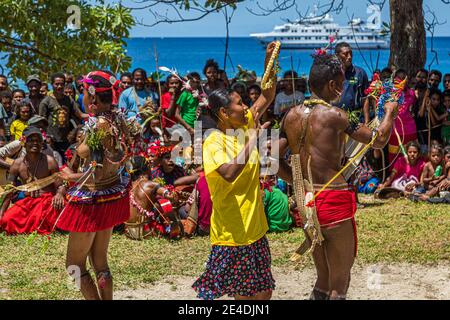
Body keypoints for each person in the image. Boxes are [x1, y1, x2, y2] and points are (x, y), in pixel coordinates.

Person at [281, 52, 396, 300]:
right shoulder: (336, 116)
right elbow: (379, 140)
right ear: (333, 86)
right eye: (342, 85)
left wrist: (297, 182)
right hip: (333, 202)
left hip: (306, 200)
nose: (343, 90)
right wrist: (389, 113)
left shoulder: (290, 116)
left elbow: (269, 160)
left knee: (323, 280)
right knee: (339, 284)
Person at [193, 42, 278, 300]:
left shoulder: (244, 123)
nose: (245, 107)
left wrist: (269, 61)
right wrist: (253, 139)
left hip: (256, 229)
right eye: (239, 104)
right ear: (224, 113)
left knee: (263, 292)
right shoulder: (213, 141)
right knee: (242, 296)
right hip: (231, 235)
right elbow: (229, 172)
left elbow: (267, 95)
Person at [56, 70, 131, 300]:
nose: (83, 97)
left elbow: (91, 169)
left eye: (84, 92)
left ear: (92, 96)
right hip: (109, 197)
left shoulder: (98, 126)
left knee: (74, 266)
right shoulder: (117, 119)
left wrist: (68, 176)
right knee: (100, 262)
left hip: (90, 201)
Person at [0, 126, 65, 234]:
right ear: (24, 142)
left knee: (47, 218)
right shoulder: (17, 164)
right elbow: (9, 191)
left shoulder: (50, 161)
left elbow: (60, 185)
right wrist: (1, 213)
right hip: (27, 202)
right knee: (7, 220)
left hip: (47, 203)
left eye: (38, 140)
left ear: (42, 144)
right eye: (31, 140)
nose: (35, 143)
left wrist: (59, 194)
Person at [39, 73, 86, 154]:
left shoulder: (69, 100)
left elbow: (80, 115)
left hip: (66, 140)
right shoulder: (46, 102)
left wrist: (95, 115)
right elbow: (41, 122)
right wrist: (46, 137)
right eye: (57, 84)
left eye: (61, 84)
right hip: (51, 141)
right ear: (52, 84)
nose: (59, 86)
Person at [386, 69, 418, 164]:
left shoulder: (411, 93)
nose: (401, 80)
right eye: (398, 78)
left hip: (410, 129)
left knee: (411, 156)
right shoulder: (388, 93)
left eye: (403, 78)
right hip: (394, 130)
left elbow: (413, 109)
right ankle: (396, 177)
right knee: (394, 156)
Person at [334, 42, 369, 115]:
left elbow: (365, 98)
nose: (349, 57)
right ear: (337, 56)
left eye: (351, 53)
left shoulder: (360, 73)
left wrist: (366, 122)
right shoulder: (331, 73)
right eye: (345, 54)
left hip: (354, 118)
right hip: (333, 117)